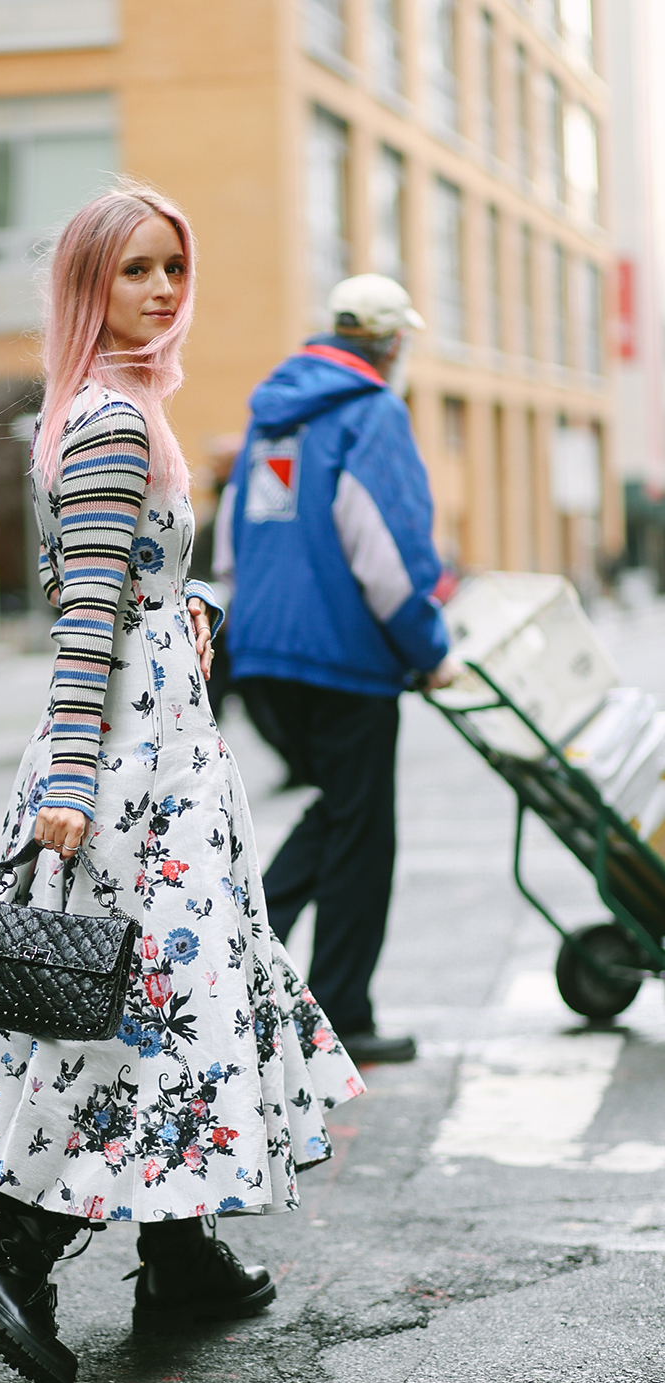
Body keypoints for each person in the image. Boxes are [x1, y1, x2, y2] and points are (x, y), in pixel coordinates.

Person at [0, 186, 365, 1383]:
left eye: (172, 269)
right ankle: (13, 1248)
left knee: (169, 996)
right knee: (141, 1010)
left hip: (158, 744)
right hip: (128, 769)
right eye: (134, 270)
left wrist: (182, 608)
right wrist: (78, 781)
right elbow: (85, 619)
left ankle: (182, 1253)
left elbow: (118, 584)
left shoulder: (119, 411)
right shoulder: (107, 422)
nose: (159, 290)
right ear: (89, 287)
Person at [222, 274, 459, 1067]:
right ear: (391, 343)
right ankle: (341, 1012)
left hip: (260, 653)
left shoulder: (272, 415)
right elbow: (386, 549)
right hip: (342, 659)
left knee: (335, 812)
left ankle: (242, 956)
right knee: (362, 834)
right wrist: (429, 650)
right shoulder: (372, 411)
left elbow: (233, 535)